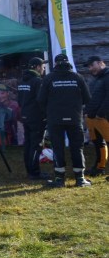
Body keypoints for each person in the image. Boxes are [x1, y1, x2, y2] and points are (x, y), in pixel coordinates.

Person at [37, 53, 92, 187]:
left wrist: (49, 112)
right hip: (74, 118)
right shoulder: (77, 77)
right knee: (77, 148)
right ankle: (80, 178)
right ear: (68, 63)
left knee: (58, 148)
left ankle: (59, 179)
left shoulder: (49, 78)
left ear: (55, 64)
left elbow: (40, 100)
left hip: (55, 119)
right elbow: (87, 98)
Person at [17, 57, 48, 180]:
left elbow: (19, 100)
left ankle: (29, 170)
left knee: (28, 144)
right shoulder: (37, 81)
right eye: (43, 67)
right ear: (37, 67)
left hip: (25, 116)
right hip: (36, 118)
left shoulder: (22, 81)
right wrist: (45, 115)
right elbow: (41, 100)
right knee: (36, 145)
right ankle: (34, 173)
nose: (43, 69)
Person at [84, 55, 109, 177]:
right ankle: (99, 168)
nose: (90, 68)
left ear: (100, 63)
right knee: (98, 144)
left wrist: (101, 113)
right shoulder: (96, 79)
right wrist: (87, 112)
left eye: (92, 65)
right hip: (92, 118)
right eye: (88, 67)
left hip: (103, 118)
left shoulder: (107, 76)